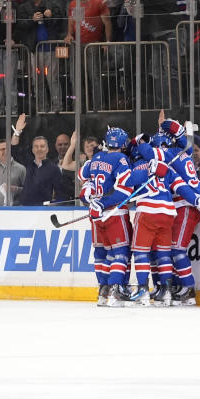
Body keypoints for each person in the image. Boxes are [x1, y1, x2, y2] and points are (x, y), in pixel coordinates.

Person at [138, 118, 200, 305]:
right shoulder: (178, 152)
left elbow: (146, 151)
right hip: (185, 204)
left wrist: (140, 141)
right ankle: (176, 286)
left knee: (176, 250)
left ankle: (188, 289)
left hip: (187, 204)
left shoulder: (169, 154)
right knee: (170, 249)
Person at [80, 127, 136, 307]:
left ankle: (103, 291)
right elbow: (125, 191)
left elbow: (84, 177)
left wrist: (88, 196)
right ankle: (116, 290)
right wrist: (104, 203)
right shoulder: (121, 159)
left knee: (101, 253)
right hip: (114, 213)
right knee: (120, 253)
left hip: (95, 215)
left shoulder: (96, 158)